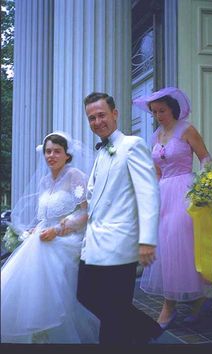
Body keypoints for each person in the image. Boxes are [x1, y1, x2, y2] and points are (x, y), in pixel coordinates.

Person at [133, 87, 212, 328]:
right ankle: (199, 301)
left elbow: (205, 158)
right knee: (168, 247)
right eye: (154, 112)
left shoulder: (187, 129)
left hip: (186, 192)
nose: (158, 115)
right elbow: (156, 170)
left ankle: (169, 307)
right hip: (163, 193)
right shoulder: (156, 136)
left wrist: (206, 187)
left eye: (162, 110)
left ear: (173, 109)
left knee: (179, 242)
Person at [77, 92, 163, 344]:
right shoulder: (101, 153)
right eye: (91, 118)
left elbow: (148, 194)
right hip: (93, 243)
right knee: (85, 295)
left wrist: (147, 240)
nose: (97, 121)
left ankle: (130, 337)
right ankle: (148, 330)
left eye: (101, 115)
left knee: (113, 311)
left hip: (119, 243)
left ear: (115, 114)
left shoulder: (132, 145)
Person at [1, 131, 100, 344]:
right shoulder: (45, 181)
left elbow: (86, 212)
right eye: (48, 151)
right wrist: (32, 231)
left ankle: (50, 330)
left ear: (67, 155)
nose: (51, 156)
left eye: (57, 151)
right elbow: (44, 217)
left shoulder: (75, 176)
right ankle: (35, 330)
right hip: (45, 236)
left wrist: (58, 230)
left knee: (42, 256)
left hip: (69, 238)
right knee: (27, 258)